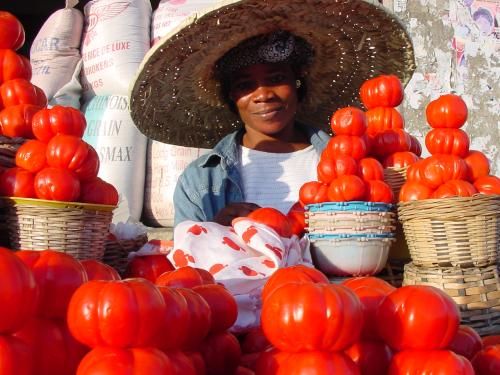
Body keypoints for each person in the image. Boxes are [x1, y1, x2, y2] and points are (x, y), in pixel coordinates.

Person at [129, 0, 416, 228]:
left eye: (276, 78)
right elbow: (187, 271)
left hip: (333, 300)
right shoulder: (202, 180)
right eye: (245, 85)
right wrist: (213, 232)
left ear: (297, 81)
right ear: (232, 95)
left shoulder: (352, 162)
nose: (263, 94)